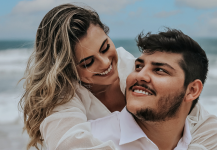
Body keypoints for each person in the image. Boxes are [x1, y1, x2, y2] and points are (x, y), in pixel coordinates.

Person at [19, 3, 216, 150]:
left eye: (105, 47)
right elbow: (69, 145)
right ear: (67, 70)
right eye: (88, 62)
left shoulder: (130, 66)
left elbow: (191, 112)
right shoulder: (62, 99)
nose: (105, 63)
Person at [89, 29, 217, 150]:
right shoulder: (90, 141)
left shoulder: (208, 140)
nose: (139, 75)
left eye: (159, 70)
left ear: (192, 90)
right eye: (138, 66)